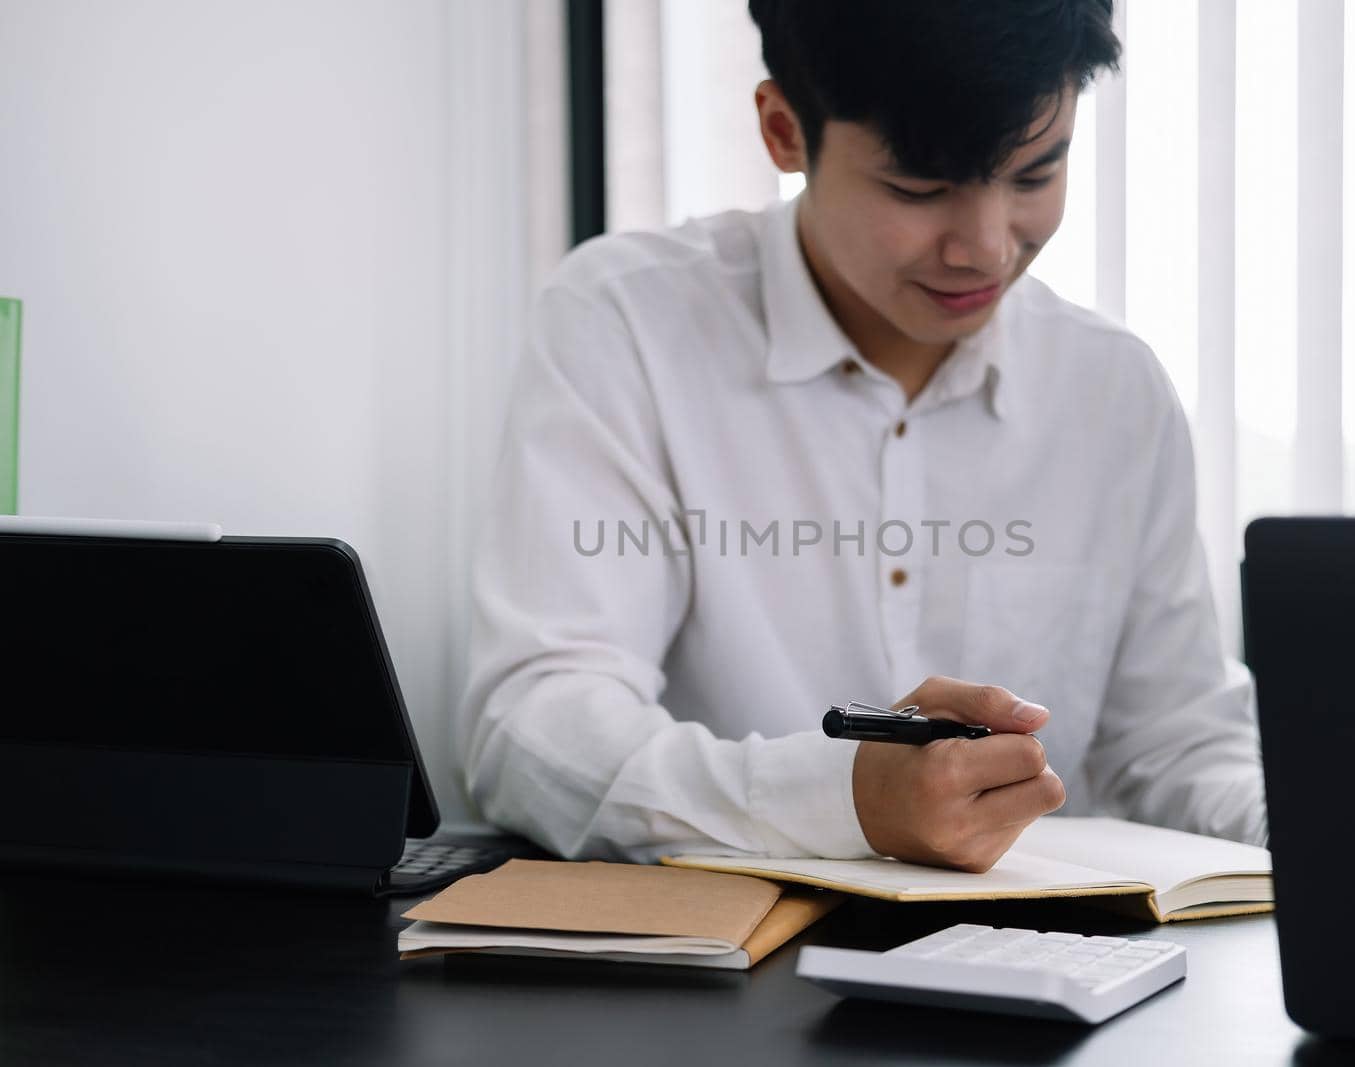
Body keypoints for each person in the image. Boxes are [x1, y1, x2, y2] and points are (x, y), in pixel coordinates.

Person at [457, 0, 1268, 872]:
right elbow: (533, 722)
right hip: (719, 981)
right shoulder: (627, 324)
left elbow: (1176, 746)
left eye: (1036, 174)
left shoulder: (1114, 390)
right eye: (920, 190)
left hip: (1060, 975)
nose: (987, 249)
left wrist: (1333, 823)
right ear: (783, 130)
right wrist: (842, 800)